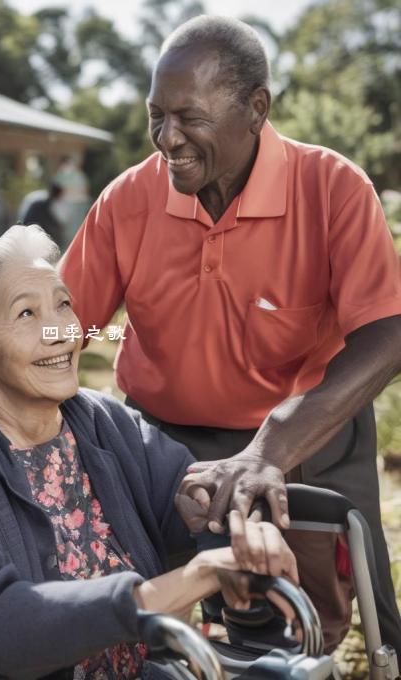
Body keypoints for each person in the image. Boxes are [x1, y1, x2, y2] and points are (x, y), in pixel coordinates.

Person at [59, 15, 401, 655]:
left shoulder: (330, 189)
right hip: (160, 441)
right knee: (147, 629)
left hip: (302, 434)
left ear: (256, 108)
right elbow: (72, 321)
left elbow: (387, 334)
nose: (167, 139)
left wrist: (272, 446)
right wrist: (28, 337)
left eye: (189, 117)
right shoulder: (128, 201)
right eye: (156, 116)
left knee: (292, 635)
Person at [0, 225, 298, 679]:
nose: (60, 332)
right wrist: (185, 583)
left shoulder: (98, 419)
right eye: (26, 314)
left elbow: (195, 489)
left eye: (62, 305)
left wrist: (243, 531)